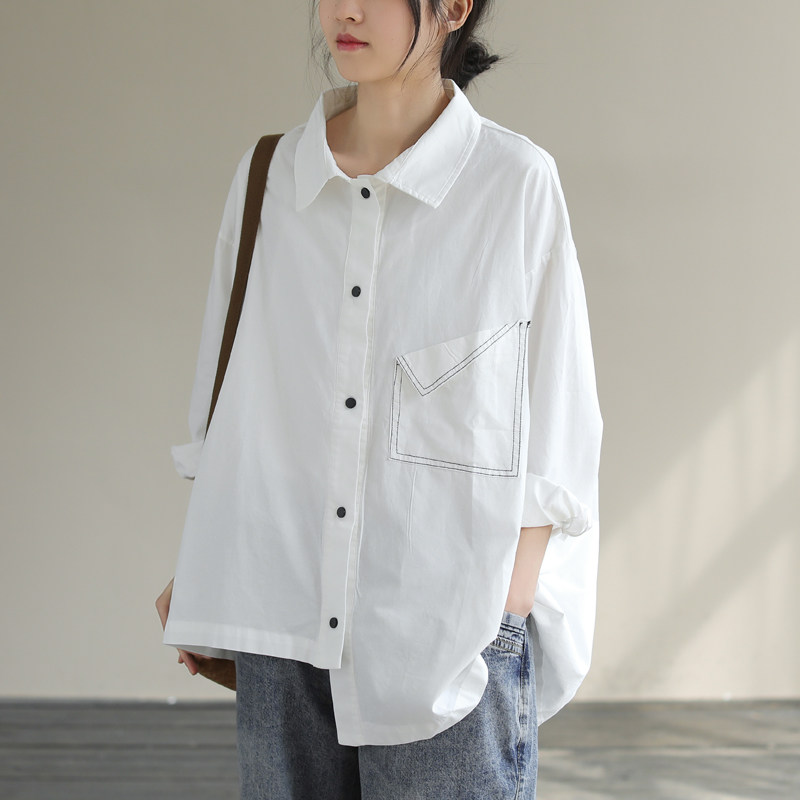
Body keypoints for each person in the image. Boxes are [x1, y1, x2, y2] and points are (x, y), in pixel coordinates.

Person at [155, 0, 603, 797]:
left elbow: (559, 425)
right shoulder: (270, 176)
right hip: (280, 621)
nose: (346, 10)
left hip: (447, 637)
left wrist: (502, 615)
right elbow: (234, 400)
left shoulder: (513, 183)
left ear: (453, 7)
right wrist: (206, 571)